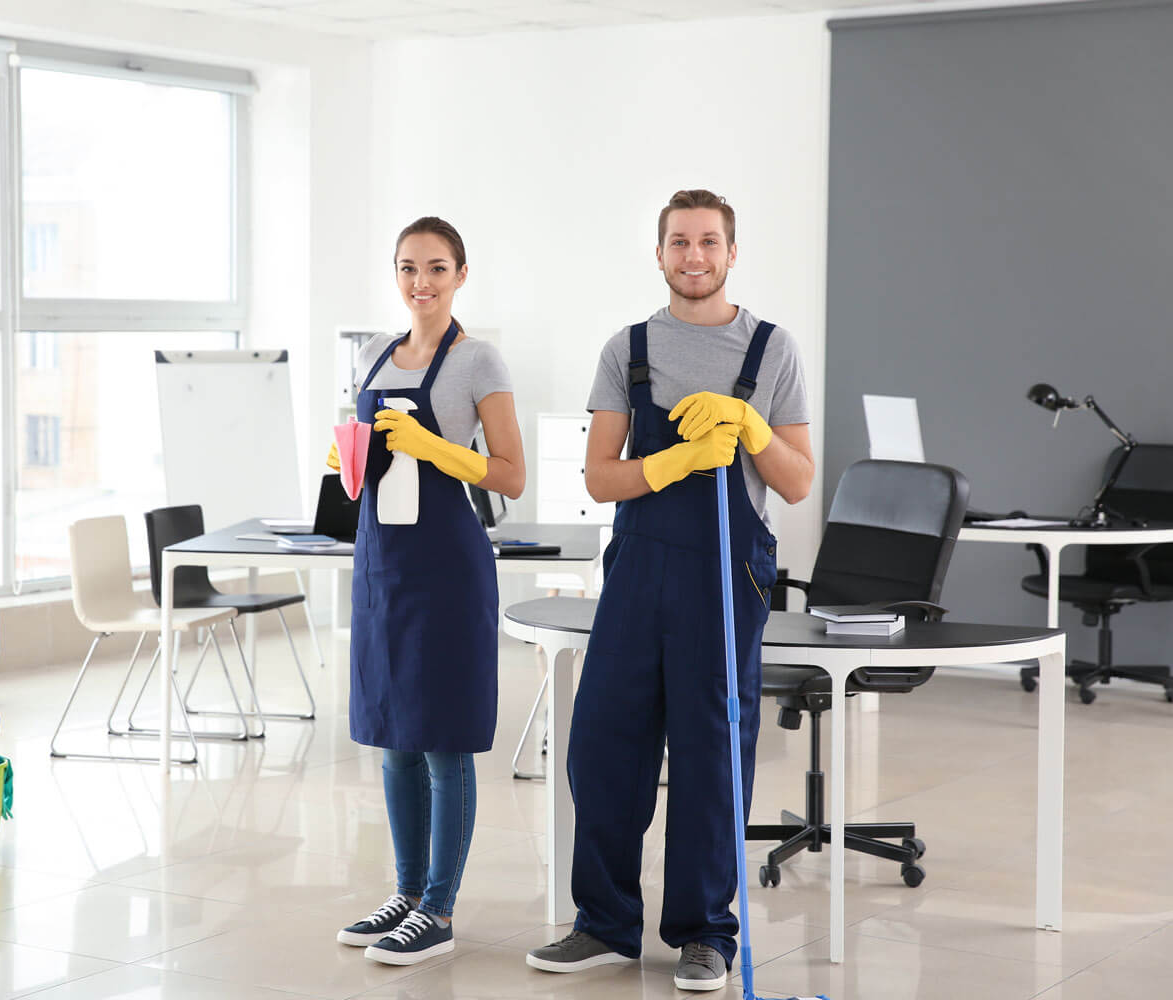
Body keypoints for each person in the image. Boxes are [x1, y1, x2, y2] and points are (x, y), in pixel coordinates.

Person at [526, 190, 813, 991]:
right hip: (638, 573)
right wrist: (673, 463)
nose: (694, 256)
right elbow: (599, 477)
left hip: (726, 579)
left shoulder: (771, 350)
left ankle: (703, 933)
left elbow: (795, 482)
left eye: (709, 242)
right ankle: (606, 924)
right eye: (679, 243)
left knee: (709, 755)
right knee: (603, 746)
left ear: (731, 253)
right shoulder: (628, 349)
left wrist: (753, 429)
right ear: (659, 254)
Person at [330, 217, 526, 966]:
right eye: (409, 268)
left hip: (446, 566)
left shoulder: (479, 360)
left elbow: (509, 473)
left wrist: (437, 448)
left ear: (461, 274)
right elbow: (368, 470)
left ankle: (440, 909)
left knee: (442, 740)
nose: (422, 282)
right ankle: (405, 895)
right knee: (393, 739)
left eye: (437, 268)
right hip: (382, 566)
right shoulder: (378, 355)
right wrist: (347, 455)